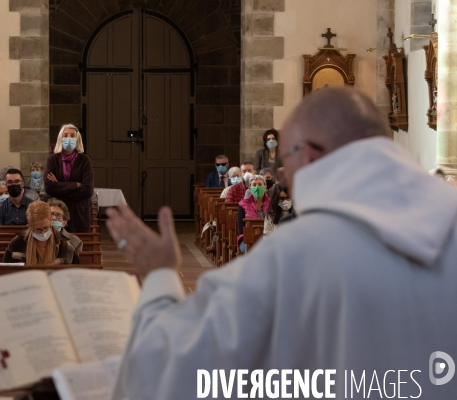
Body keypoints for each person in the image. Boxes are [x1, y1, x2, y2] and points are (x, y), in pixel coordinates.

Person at [105, 87, 457, 399]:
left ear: (310, 154)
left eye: (285, 167)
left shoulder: (294, 255)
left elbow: (164, 374)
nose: (284, 182)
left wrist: (160, 277)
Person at [44, 124, 94, 232]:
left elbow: (88, 190)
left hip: (79, 214)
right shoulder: (52, 160)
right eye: (65, 135)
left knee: (77, 246)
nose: (69, 138)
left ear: (77, 139)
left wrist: (58, 186)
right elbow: (49, 188)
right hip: (56, 214)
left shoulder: (85, 160)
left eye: (72, 135)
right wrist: (75, 185)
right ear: (60, 138)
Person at [2, 201, 80, 265]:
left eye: (46, 228)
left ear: (50, 221)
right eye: (38, 229)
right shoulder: (17, 243)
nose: (43, 232)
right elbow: (6, 270)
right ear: (30, 225)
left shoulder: (65, 245)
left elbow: (75, 272)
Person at [236, 175, 270, 252]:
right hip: (247, 238)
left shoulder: (272, 203)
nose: (257, 187)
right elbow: (241, 228)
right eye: (254, 185)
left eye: (260, 184)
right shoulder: (243, 204)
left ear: (265, 187)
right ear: (250, 188)